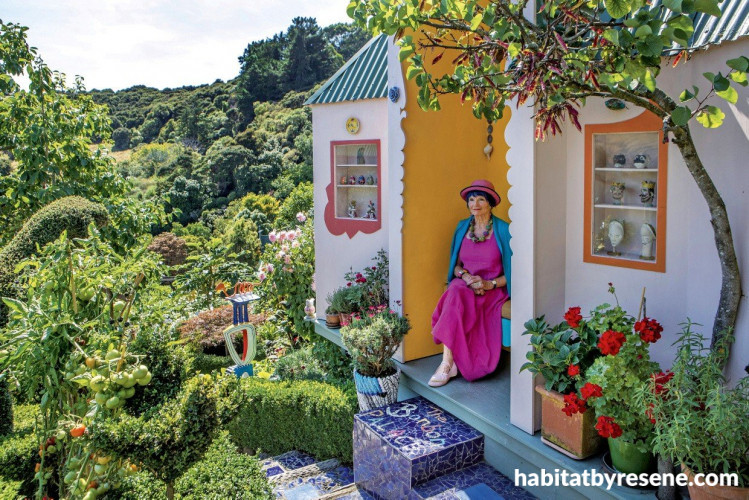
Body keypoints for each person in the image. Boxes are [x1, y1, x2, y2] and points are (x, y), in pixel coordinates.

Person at [428, 180, 512, 387]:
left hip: (492, 289)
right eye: (471, 199)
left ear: (490, 203)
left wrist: (488, 283)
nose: (475, 204)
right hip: (466, 285)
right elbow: (456, 267)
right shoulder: (462, 227)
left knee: (455, 295)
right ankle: (447, 362)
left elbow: (514, 273)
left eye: (481, 199)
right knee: (455, 289)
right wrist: (465, 277)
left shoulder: (504, 230)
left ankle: (451, 365)